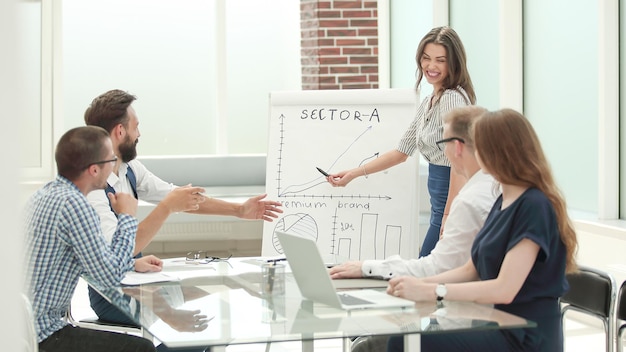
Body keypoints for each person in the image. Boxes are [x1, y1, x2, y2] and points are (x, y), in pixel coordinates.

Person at [83, 89, 283, 327]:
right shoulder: (93, 188)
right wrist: (167, 207)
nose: (139, 134)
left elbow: (181, 198)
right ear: (120, 131)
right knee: (189, 333)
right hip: (112, 296)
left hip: (136, 281)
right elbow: (119, 253)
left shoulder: (130, 168)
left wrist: (239, 210)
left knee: (208, 311)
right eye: (136, 127)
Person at [386, 108, 579, 352]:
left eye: (481, 147)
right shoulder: (502, 199)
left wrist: (431, 290)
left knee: (405, 342)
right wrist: (415, 283)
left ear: (499, 151)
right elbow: (471, 269)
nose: (475, 154)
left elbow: (504, 289)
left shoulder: (534, 206)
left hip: (524, 336)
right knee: (403, 338)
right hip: (497, 325)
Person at [327, 26, 476, 257]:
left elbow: (458, 161)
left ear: (453, 63)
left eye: (440, 60)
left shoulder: (451, 98)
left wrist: (448, 215)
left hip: (451, 193)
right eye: (426, 58)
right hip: (442, 198)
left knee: (427, 267)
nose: (431, 66)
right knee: (431, 270)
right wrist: (353, 174)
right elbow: (401, 152)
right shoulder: (430, 100)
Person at [22, 126, 157, 352]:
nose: (115, 166)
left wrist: (132, 263)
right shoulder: (76, 206)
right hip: (45, 335)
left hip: (24, 329)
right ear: (94, 170)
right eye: (111, 160)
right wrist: (126, 217)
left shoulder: (44, 194)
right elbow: (110, 277)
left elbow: (88, 259)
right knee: (142, 349)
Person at [329, 106, 496, 281]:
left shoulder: (469, 202)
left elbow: (436, 268)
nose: (444, 152)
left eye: (443, 143)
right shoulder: (496, 187)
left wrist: (366, 267)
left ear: (457, 147)